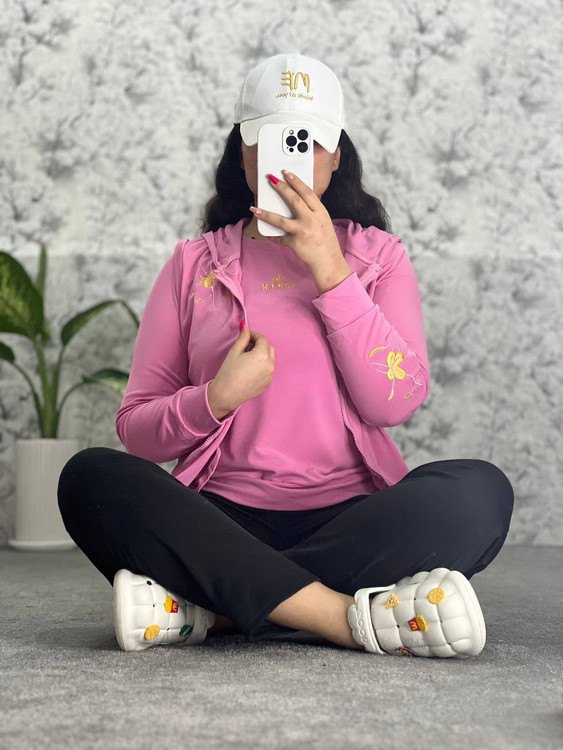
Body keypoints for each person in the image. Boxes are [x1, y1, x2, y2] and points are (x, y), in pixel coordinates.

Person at [57, 53, 514, 657]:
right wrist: (215, 399)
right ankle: (344, 616)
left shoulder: (378, 258)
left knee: (480, 491)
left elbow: (394, 402)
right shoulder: (193, 264)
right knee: (90, 477)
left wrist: (331, 270)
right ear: (243, 153)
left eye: (309, 142)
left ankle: (213, 609)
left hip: (352, 518)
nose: (292, 157)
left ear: (336, 154)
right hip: (217, 520)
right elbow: (138, 433)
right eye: (272, 140)